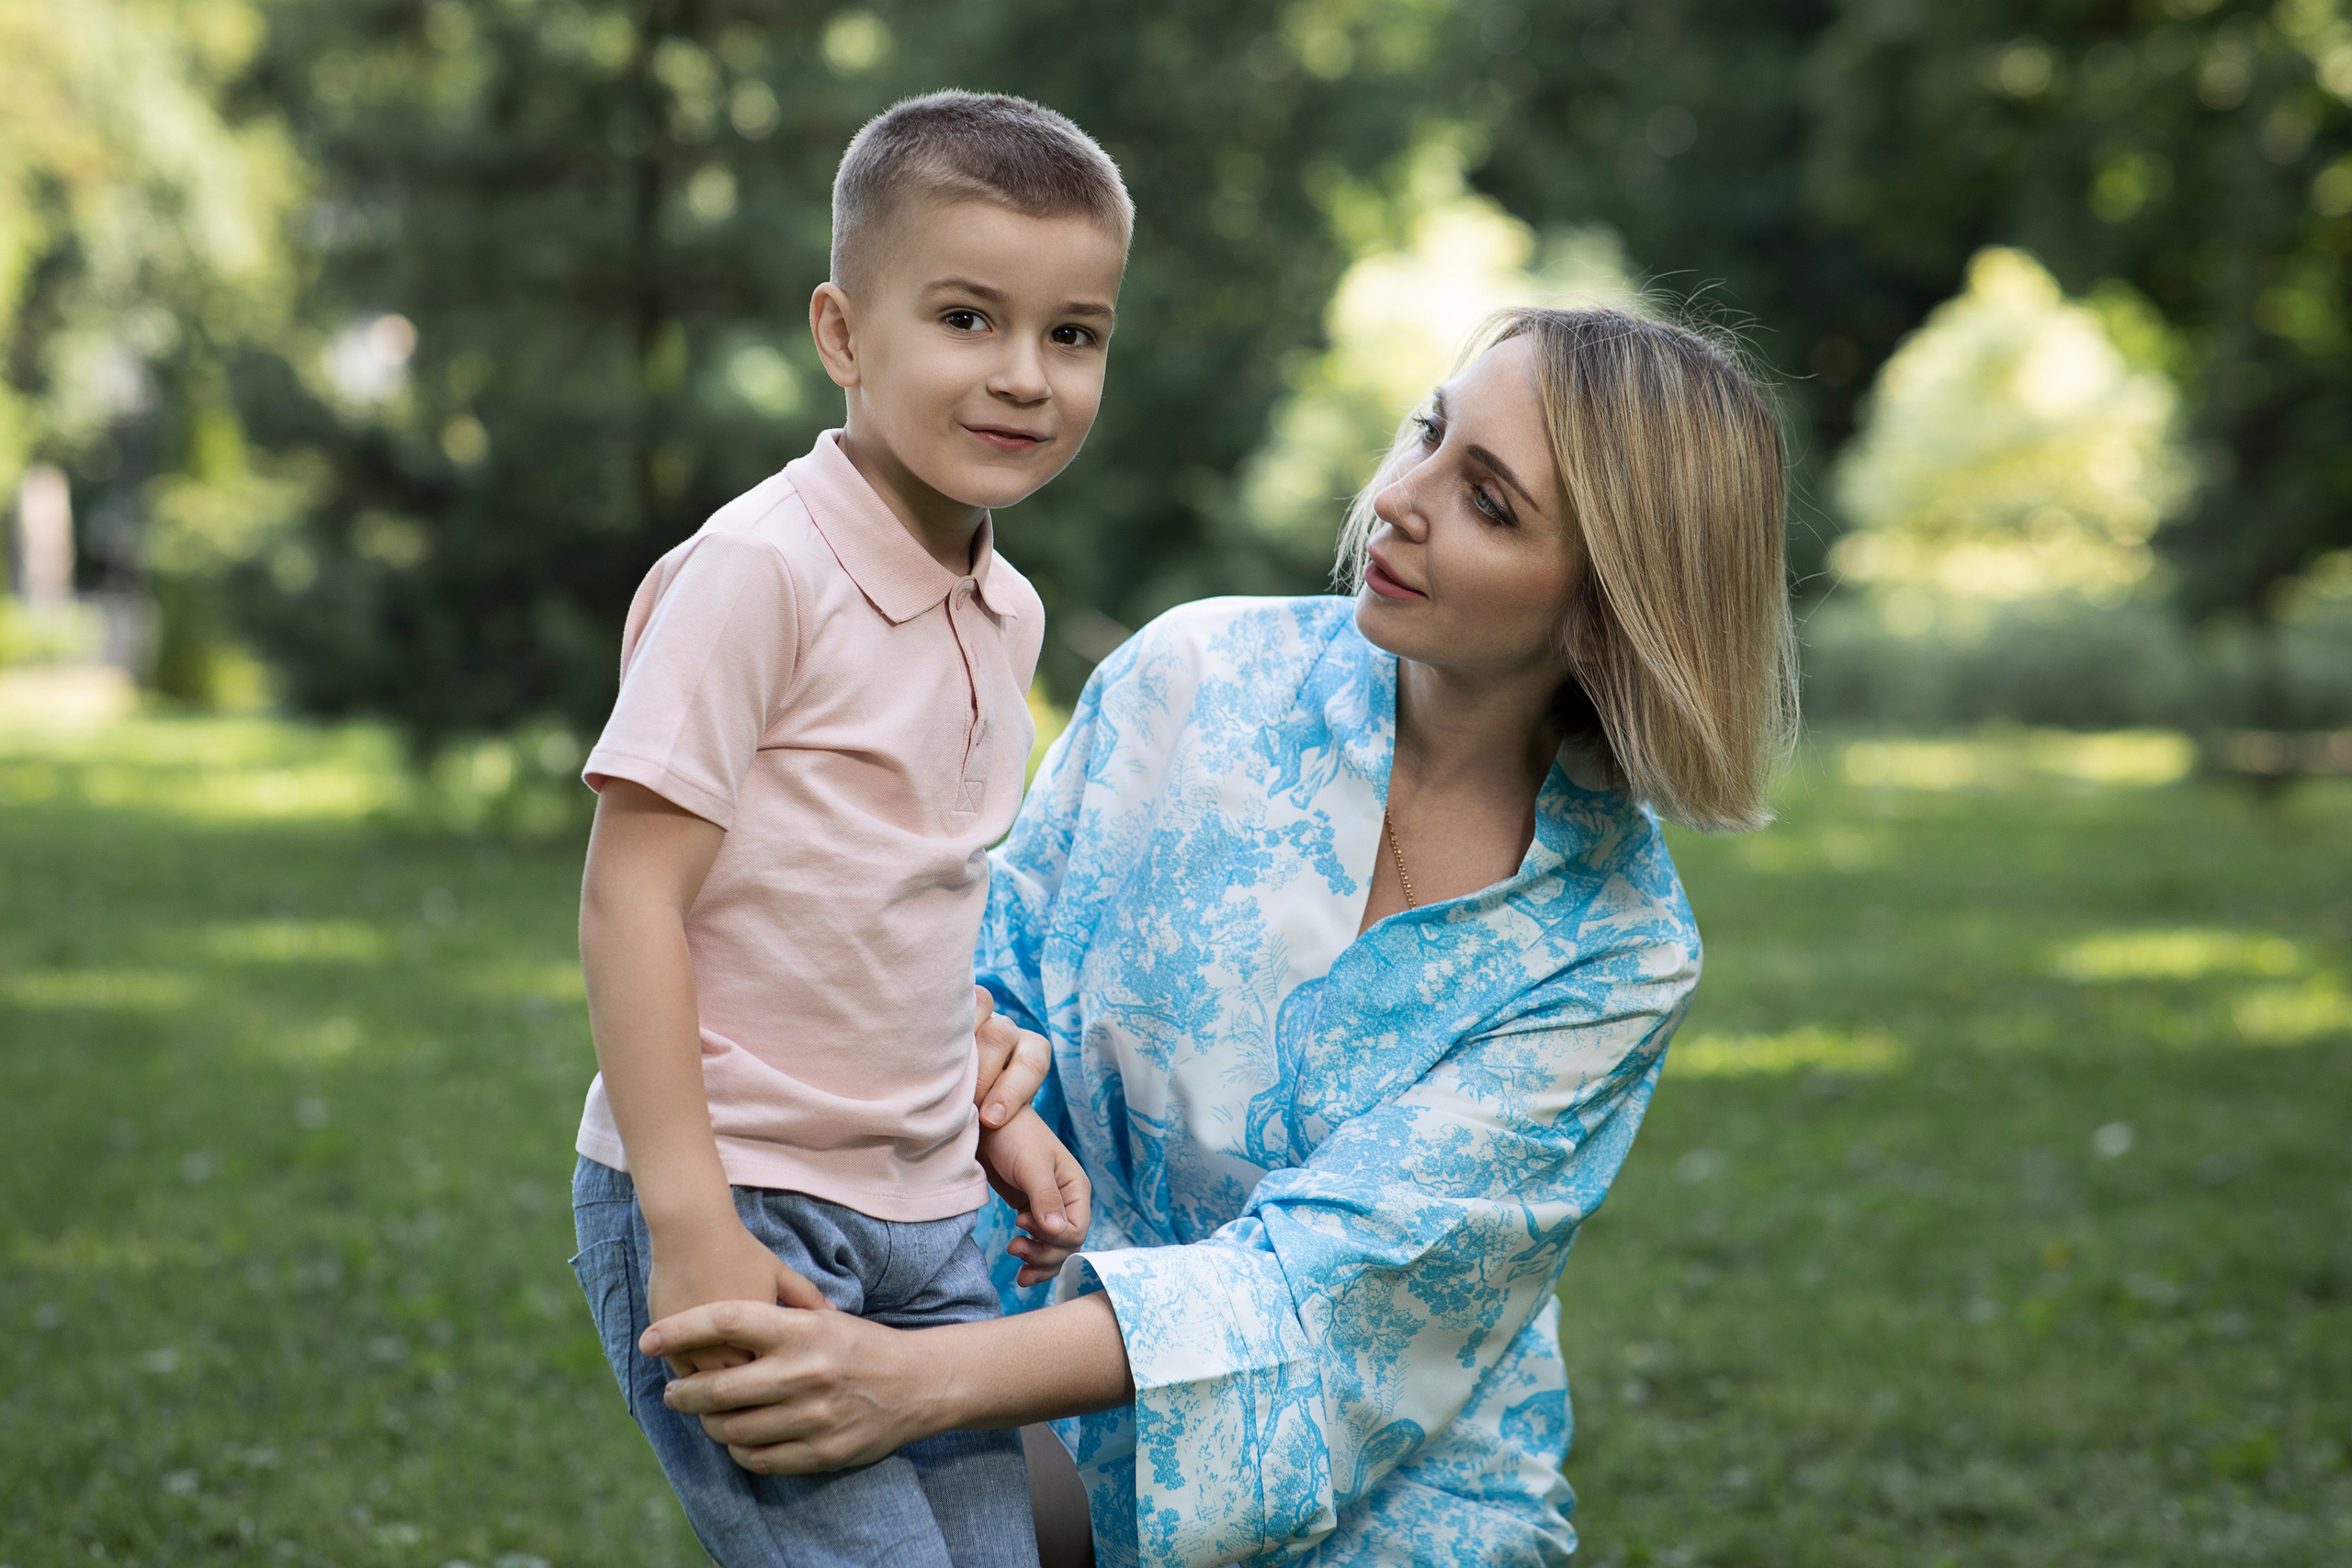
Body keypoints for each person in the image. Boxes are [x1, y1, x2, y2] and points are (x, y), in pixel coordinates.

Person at [638, 305, 1801, 1568]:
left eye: (1491, 502)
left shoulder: (1616, 946)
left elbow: (1336, 1289)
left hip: (1381, 1485)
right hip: (992, 1362)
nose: (1402, 499)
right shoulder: (1187, 678)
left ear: (1606, 609)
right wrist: (972, 1065)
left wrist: (910, 1384)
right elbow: (971, 978)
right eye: (1428, 433)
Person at [567, 91, 1130, 1568]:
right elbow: (631, 900)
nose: (1025, 377)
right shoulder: (760, 572)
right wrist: (691, 1222)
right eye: (966, 317)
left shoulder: (1006, 613)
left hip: (931, 1217)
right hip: (741, 1193)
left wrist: (984, 1113)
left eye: (1073, 334)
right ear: (843, 333)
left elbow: (895, 899)